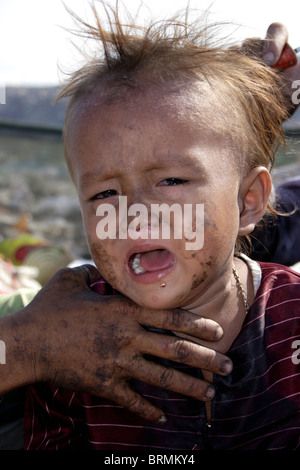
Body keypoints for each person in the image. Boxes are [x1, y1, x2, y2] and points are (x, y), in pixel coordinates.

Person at [21, 3, 300, 450]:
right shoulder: (67, 348)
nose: (134, 213)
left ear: (249, 201)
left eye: (171, 180)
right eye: (103, 194)